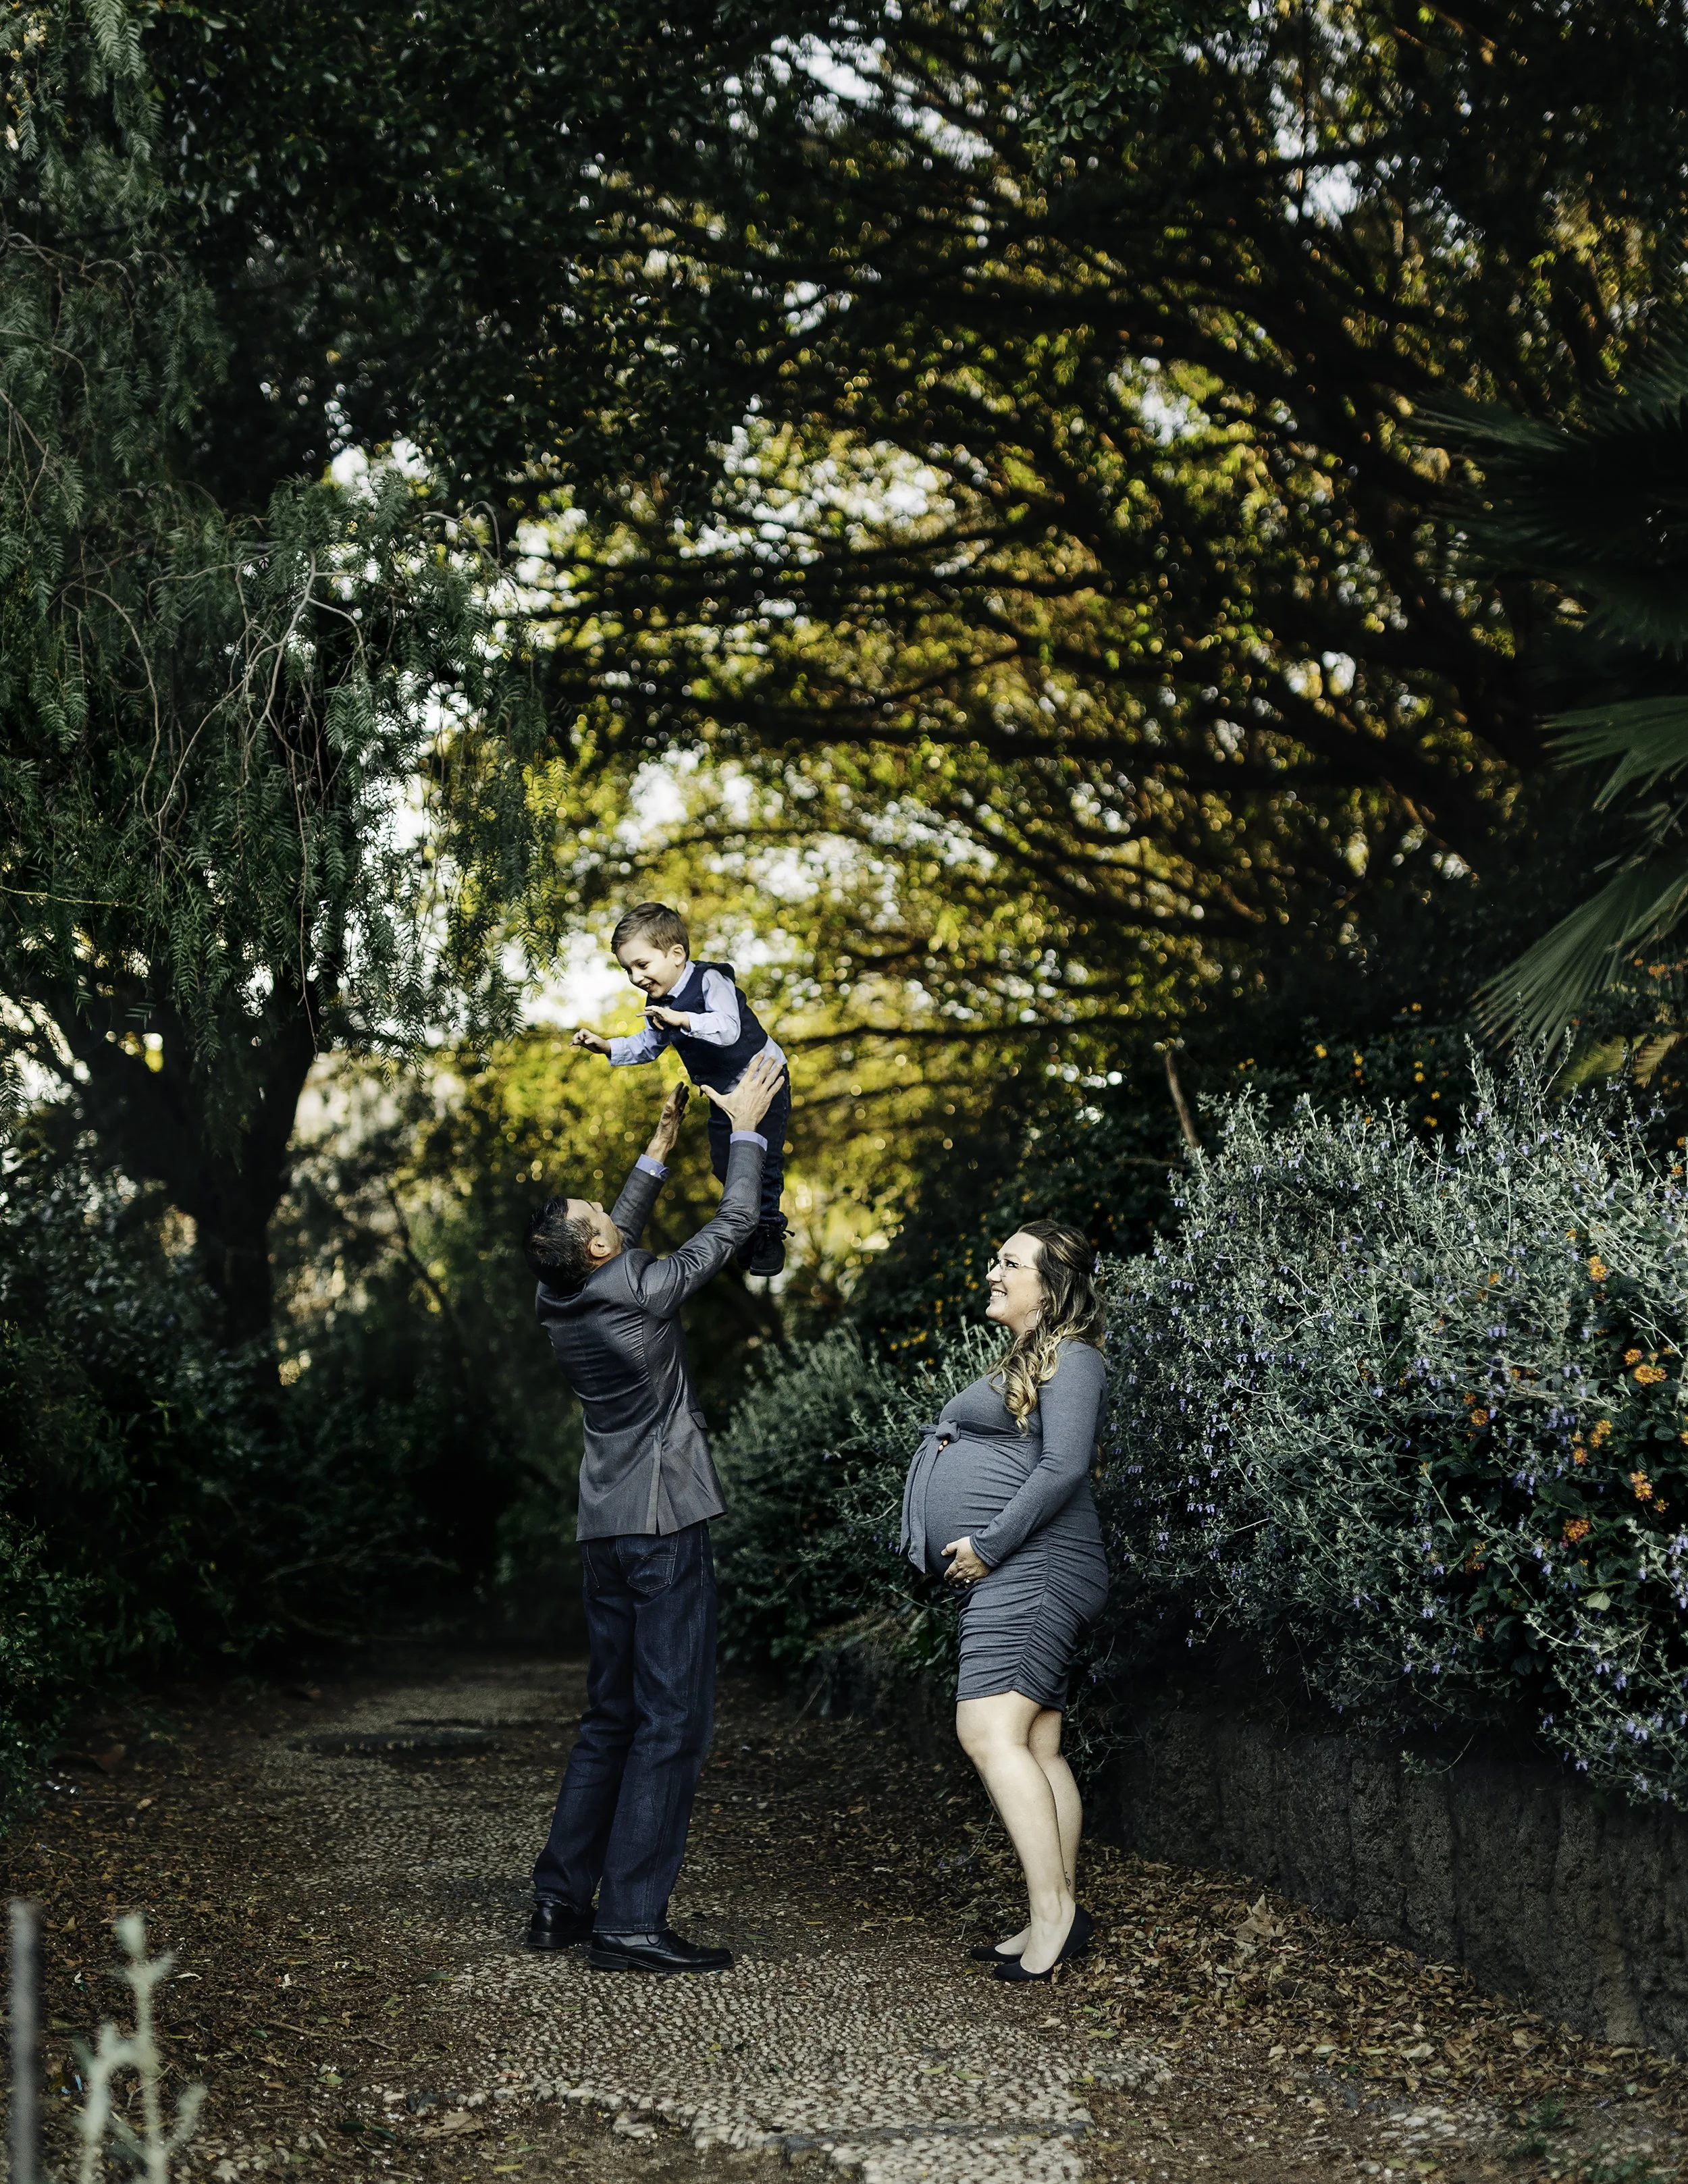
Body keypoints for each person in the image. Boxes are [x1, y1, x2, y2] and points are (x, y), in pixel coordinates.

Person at [521, 1048, 787, 1975]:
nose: (610, 1214)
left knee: (609, 1714)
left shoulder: (558, 1291)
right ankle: (631, 1919)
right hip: (666, 1521)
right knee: (672, 1720)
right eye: (602, 1214)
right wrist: (744, 1125)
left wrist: (658, 1149)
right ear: (599, 1247)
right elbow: (739, 1219)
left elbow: (608, 1244)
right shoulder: (632, 1286)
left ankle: (561, 1900)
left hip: (605, 1525)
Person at [899, 1220, 1110, 1982]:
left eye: (1009, 1263)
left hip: (1039, 1565)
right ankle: (1051, 1913)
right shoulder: (1034, 1358)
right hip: (1030, 1566)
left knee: (986, 1729)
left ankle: (1055, 1915)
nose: (993, 1272)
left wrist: (986, 1544)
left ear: (1049, 1288)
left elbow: (1062, 1471)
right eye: (996, 1259)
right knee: (1038, 1741)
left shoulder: (1075, 1359)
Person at [571, 901, 792, 1276]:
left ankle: (768, 1229)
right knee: (727, 1164)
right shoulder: (659, 1003)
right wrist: (607, 1046)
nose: (636, 977)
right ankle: (749, 1226)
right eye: (628, 969)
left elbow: (727, 1028)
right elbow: (648, 1045)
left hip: (762, 1079)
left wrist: (683, 1018)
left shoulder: (709, 981)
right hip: (723, 1096)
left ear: (676, 954)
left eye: (642, 965)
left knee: (763, 1158)